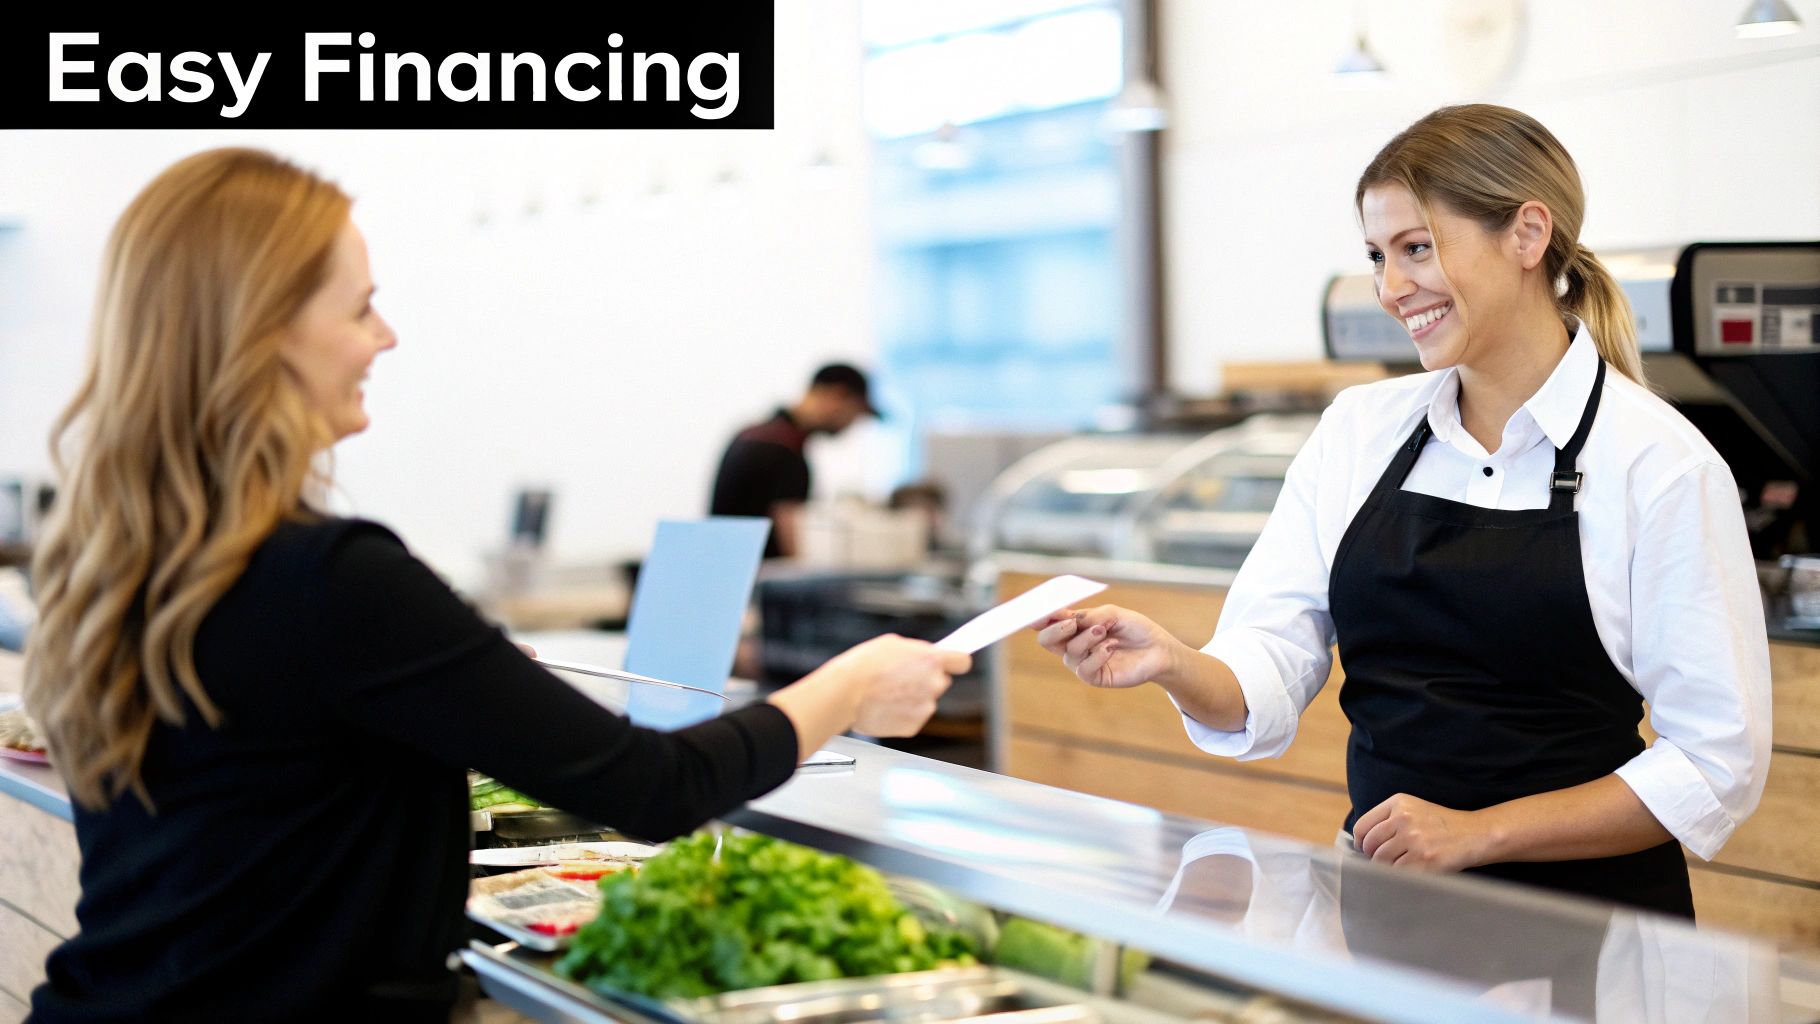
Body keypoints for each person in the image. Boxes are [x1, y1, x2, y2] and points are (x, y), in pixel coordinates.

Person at [21, 149, 969, 1022]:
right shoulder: (332, 578)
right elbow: (654, 787)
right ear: (261, 332)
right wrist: (847, 687)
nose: (384, 339)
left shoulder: (125, 554)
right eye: (359, 308)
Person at [1034, 104, 1771, 918]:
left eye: (1416, 249)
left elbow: (1713, 764)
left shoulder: (1658, 463)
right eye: (1378, 256)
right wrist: (1174, 663)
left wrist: (1479, 833)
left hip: (1592, 935)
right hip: (1388, 911)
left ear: (1528, 236)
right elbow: (1272, 664)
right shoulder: (1358, 431)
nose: (1390, 289)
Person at [709, 363, 880, 557]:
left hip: (727, 570)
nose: (852, 424)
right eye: (856, 413)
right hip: (760, 578)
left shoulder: (750, 434)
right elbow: (791, 542)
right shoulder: (784, 449)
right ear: (838, 395)